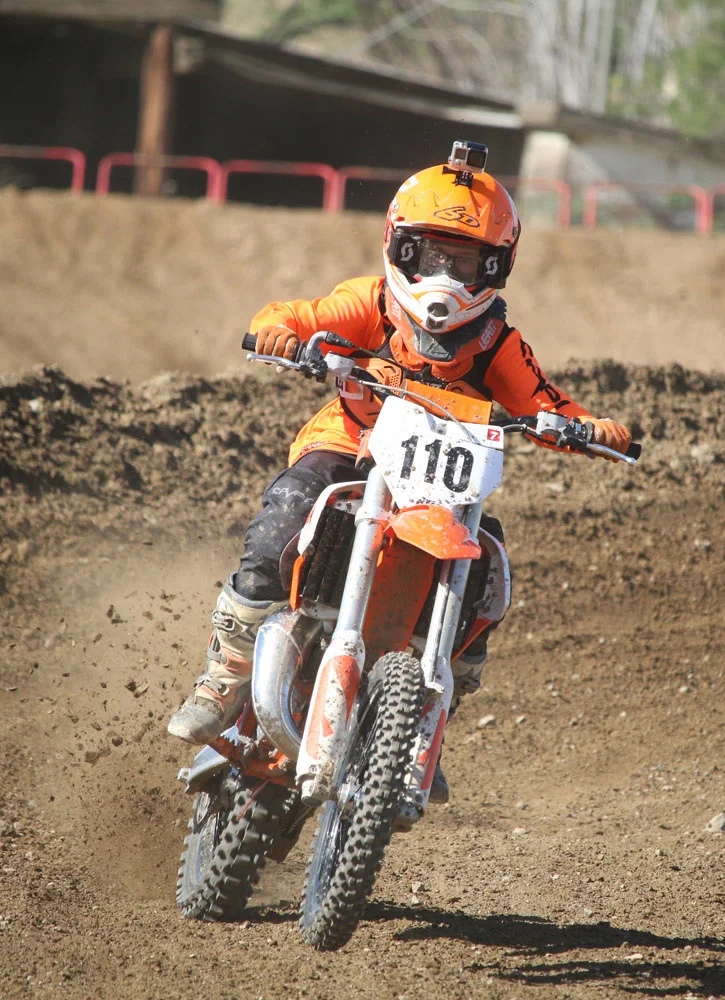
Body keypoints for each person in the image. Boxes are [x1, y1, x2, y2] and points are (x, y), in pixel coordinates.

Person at [168, 142, 632, 772]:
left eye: (464, 261)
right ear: (402, 247)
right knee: (286, 513)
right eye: (433, 256)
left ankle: (428, 713)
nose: (447, 276)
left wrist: (589, 429)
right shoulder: (370, 304)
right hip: (347, 447)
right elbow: (297, 315)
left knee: (488, 567)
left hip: (440, 486)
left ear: (495, 266)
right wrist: (282, 333)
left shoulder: (498, 344)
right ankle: (224, 676)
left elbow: (546, 402)